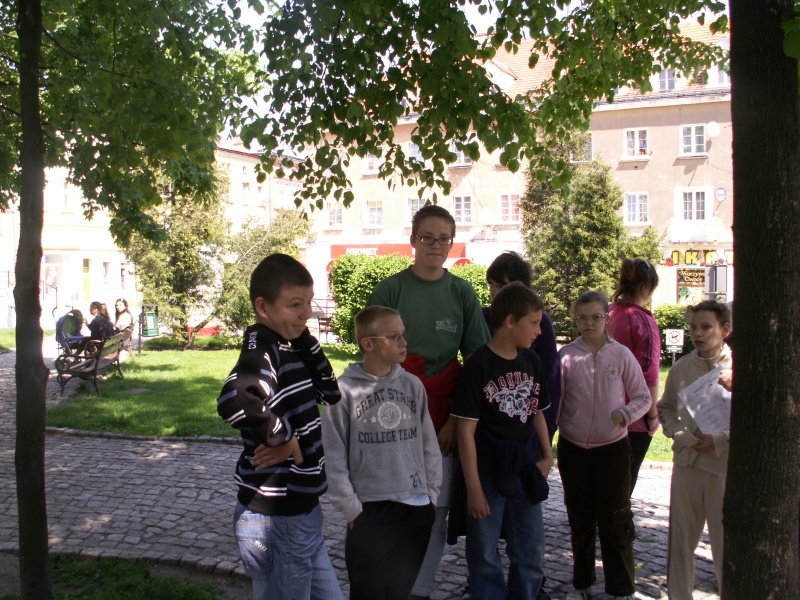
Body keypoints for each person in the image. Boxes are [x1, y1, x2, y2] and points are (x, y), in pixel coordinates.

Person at [366, 204, 490, 600]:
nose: (435, 245)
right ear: (413, 240)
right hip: (392, 412)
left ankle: (419, 590)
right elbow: (371, 354)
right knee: (390, 501)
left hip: (444, 415)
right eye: (427, 237)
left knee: (435, 507)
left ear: (451, 243)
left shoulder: (462, 292)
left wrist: (455, 420)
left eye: (443, 239)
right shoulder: (390, 290)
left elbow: (477, 362)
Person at [216, 253, 344, 600]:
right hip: (280, 511)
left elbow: (330, 393)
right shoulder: (263, 349)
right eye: (294, 305)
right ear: (263, 307)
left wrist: (306, 343)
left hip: (300, 508)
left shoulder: (289, 346)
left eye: (308, 303)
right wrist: (285, 439)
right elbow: (235, 399)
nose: (306, 313)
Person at [322, 306, 442, 600]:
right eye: (394, 336)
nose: (404, 342)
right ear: (368, 344)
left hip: (416, 507)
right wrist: (352, 509)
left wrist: (431, 495)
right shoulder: (343, 392)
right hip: (371, 510)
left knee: (398, 592)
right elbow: (333, 456)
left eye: (403, 335)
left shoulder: (413, 385)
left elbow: (429, 444)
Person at [452, 282, 553, 600]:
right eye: (533, 323)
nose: (538, 331)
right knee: (483, 550)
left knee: (531, 546)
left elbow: (537, 411)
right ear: (510, 321)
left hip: (524, 464)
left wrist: (547, 455)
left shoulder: (532, 362)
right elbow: (465, 431)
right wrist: (474, 489)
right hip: (487, 467)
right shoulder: (478, 366)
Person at [558, 291, 650, 600]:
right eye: (581, 318)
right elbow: (557, 400)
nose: (589, 323)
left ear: (606, 318)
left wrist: (625, 414)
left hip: (612, 448)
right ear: (575, 320)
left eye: (595, 317)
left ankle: (621, 588)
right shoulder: (566, 356)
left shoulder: (621, 354)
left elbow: (643, 397)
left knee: (616, 518)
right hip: (574, 448)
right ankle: (582, 583)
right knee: (580, 519)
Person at [657, 301, 732, 600]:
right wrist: (677, 432)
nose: (698, 334)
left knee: (725, 544)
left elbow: (756, 421)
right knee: (681, 543)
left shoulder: (740, 367)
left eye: (706, 327)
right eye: (693, 327)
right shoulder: (680, 368)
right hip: (687, 464)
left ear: (725, 330)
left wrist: (720, 441)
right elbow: (664, 407)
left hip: (722, 468)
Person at [483, 251, 560, 443]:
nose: (495, 292)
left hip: (529, 428)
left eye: (502, 286)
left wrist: (548, 430)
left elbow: (551, 377)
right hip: (489, 431)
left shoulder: (541, 323)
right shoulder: (481, 317)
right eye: (492, 285)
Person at [607, 258, 661, 493]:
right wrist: (652, 416)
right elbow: (649, 373)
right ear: (645, 288)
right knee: (622, 486)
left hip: (605, 411)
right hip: (634, 417)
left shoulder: (609, 313)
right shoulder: (643, 320)